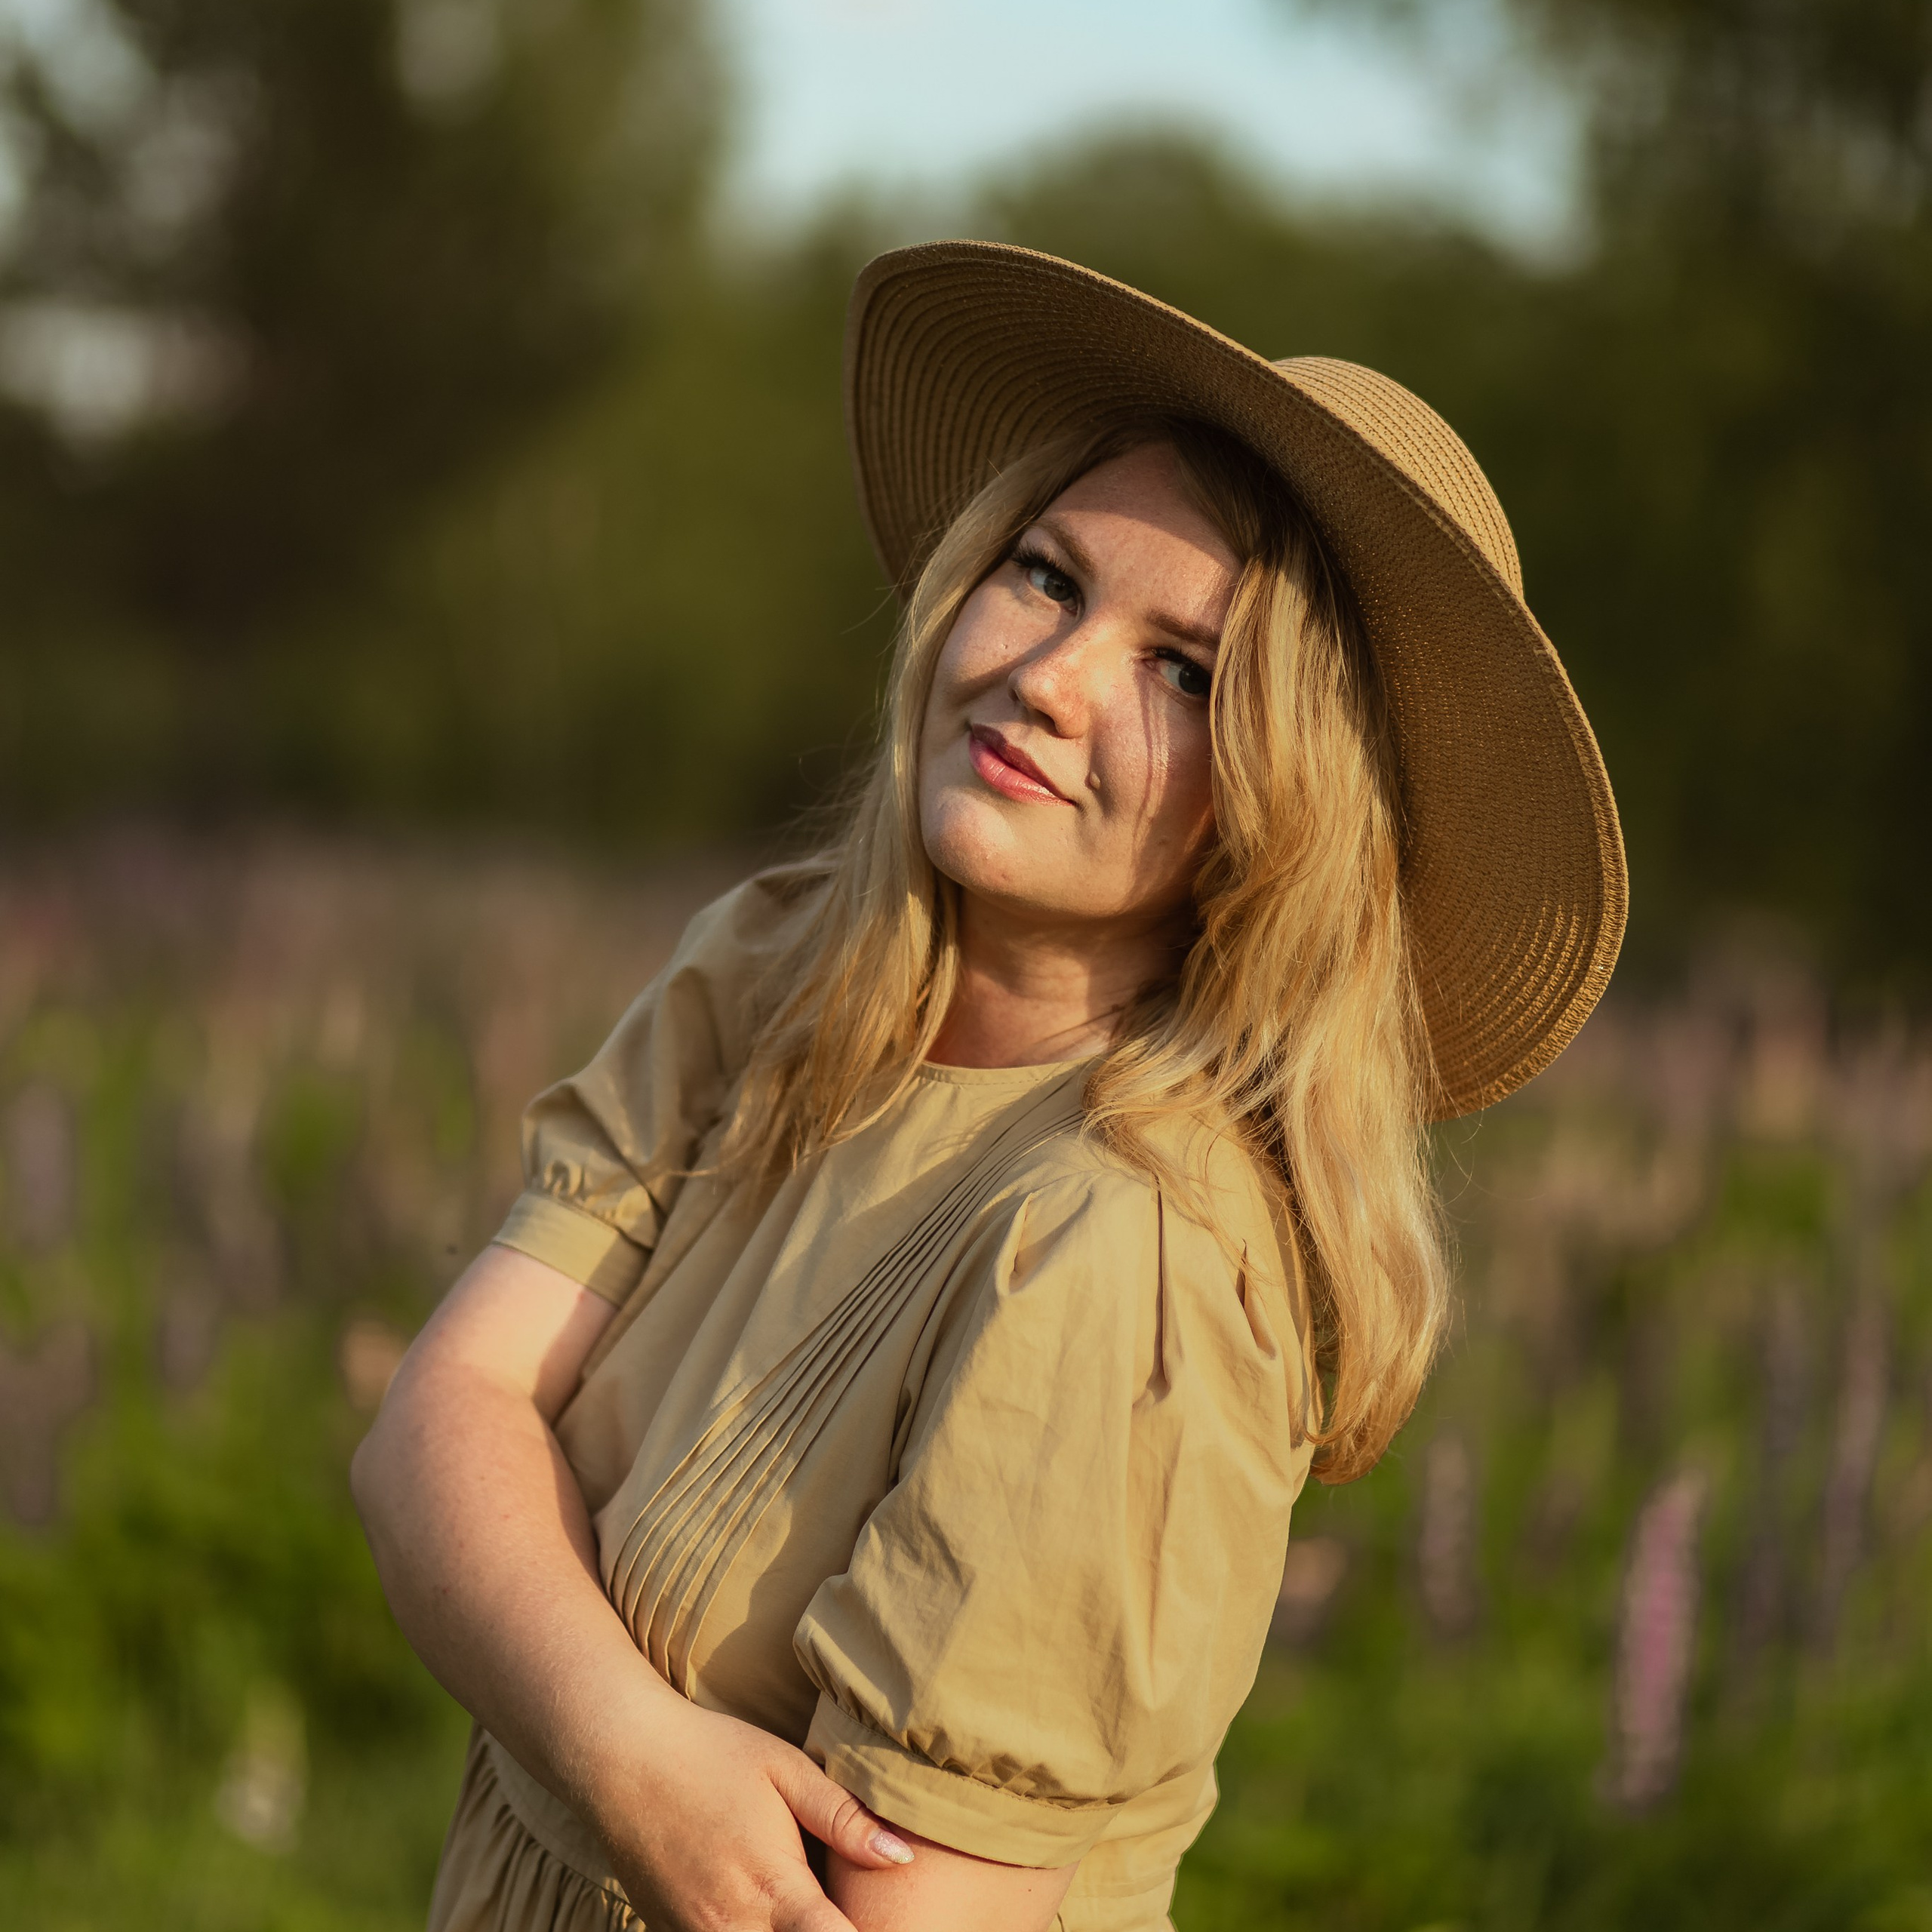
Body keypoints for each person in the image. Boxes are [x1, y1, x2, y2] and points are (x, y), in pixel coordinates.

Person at [352, 242, 1625, 1932]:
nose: (1053, 674)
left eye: (1185, 670)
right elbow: (434, 1425)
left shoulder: (1119, 1260)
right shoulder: (773, 975)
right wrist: (631, 1749)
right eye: (1046, 575)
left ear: (1282, 810)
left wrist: (562, 1683)